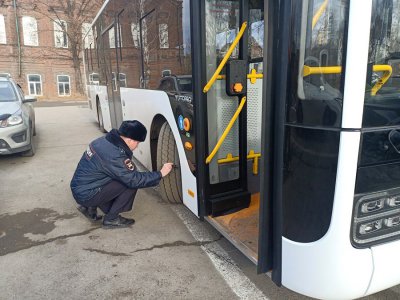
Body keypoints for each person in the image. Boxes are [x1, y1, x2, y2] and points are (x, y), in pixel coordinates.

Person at [70, 120, 173, 228]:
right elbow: (134, 180)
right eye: (137, 142)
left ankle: (88, 207)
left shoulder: (103, 140)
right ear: (129, 140)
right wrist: (161, 173)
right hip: (87, 194)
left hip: (79, 187)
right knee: (130, 184)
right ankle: (111, 219)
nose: (137, 146)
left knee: (118, 176)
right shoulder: (115, 155)